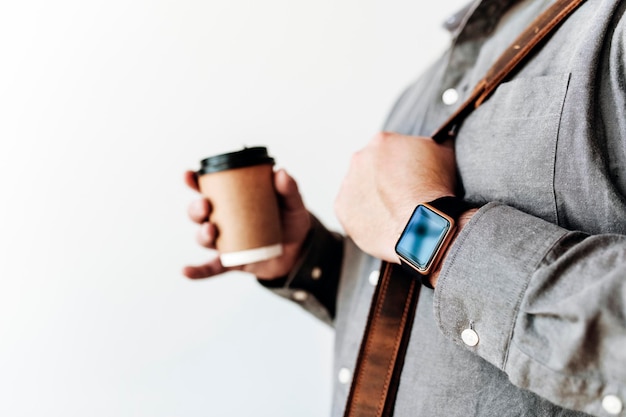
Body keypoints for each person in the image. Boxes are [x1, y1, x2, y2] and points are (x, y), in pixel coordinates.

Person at [183, 0, 626, 415]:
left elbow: (421, 238)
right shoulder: (427, 85)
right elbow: (426, 317)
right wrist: (308, 259)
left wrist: (430, 234)